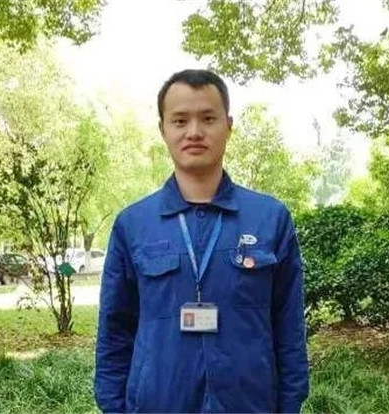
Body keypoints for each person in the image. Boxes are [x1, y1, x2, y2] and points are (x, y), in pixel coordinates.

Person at [94, 69, 308, 413]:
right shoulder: (133, 225)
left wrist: (290, 403)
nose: (194, 132)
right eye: (180, 121)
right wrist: (114, 406)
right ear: (163, 129)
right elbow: (114, 330)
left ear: (228, 125)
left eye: (208, 118)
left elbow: (289, 325)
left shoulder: (270, 218)